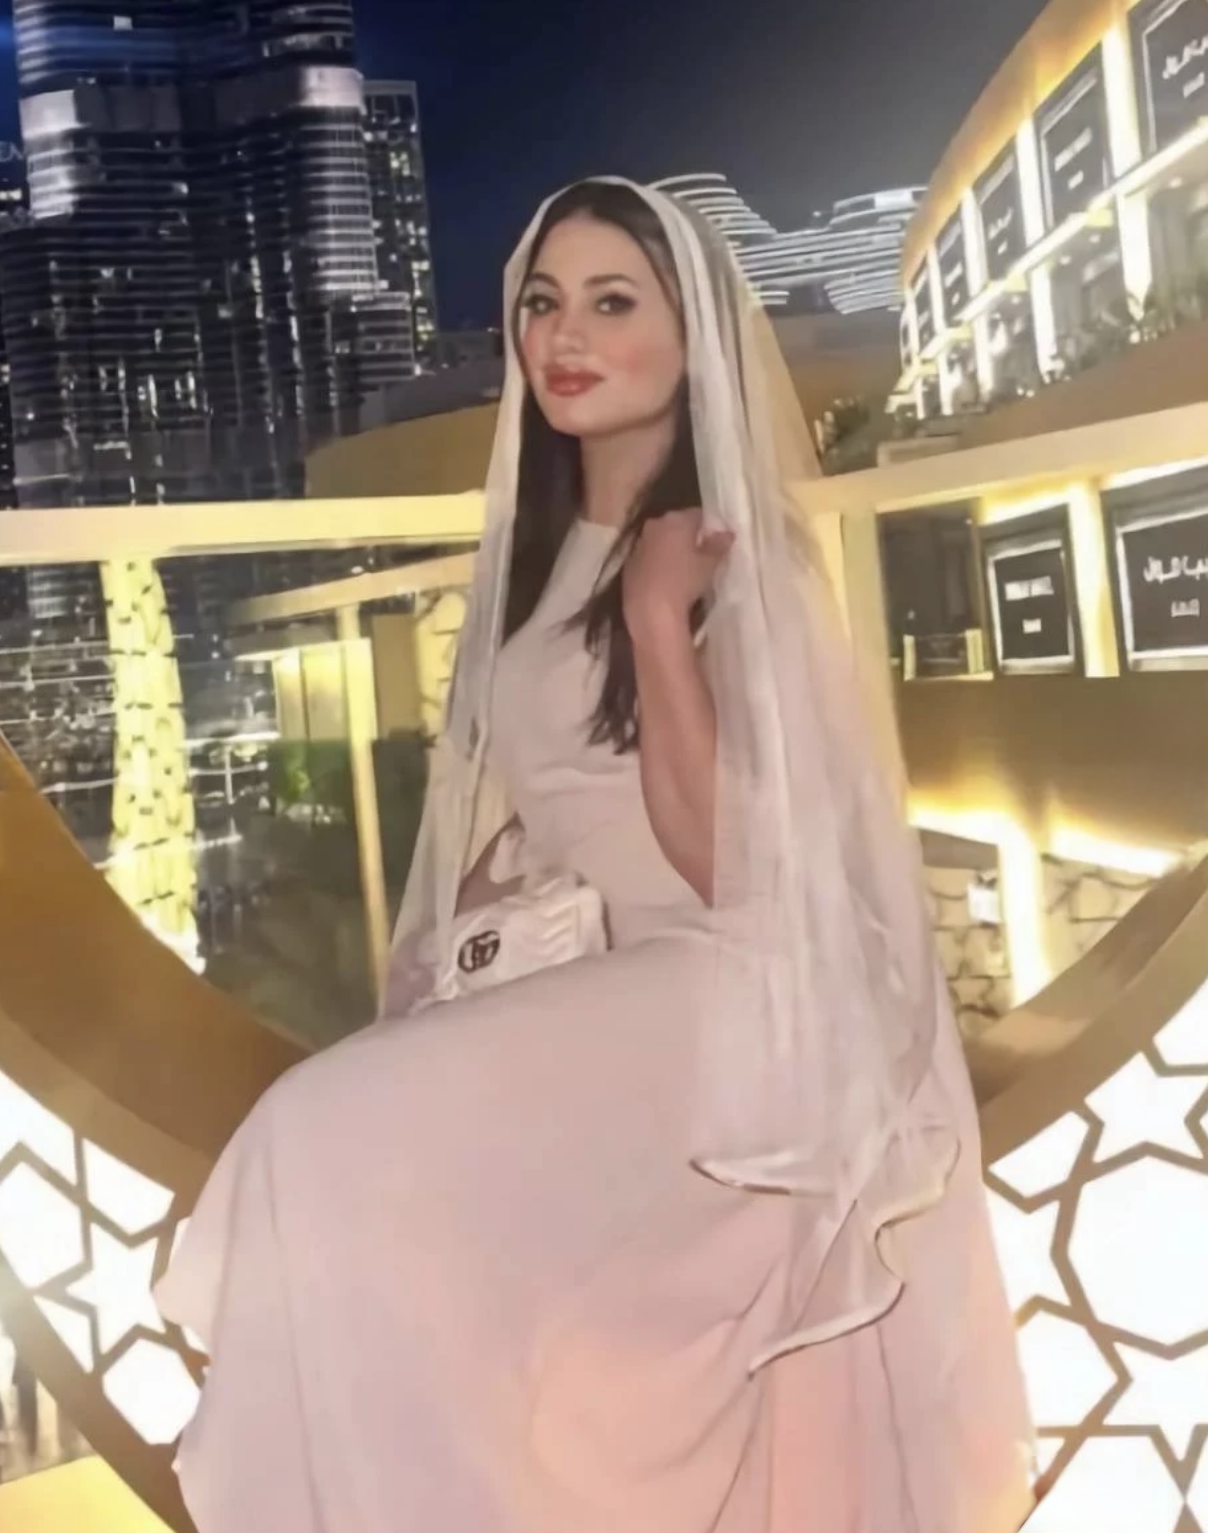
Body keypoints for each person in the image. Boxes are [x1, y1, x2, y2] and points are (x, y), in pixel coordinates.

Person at [157, 178, 1034, 1533]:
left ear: (694, 334)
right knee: (383, 1205)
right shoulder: (539, 556)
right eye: (542, 303)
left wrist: (655, 621)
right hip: (607, 976)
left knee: (317, 1132)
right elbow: (560, 790)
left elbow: (729, 869)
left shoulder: (741, 561)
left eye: (612, 303)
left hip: (737, 982)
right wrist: (474, 919)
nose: (564, 337)